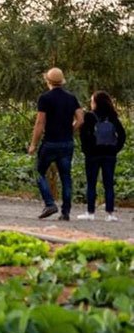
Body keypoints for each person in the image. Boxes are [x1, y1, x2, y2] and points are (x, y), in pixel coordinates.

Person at [28, 67, 83, 220]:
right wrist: (70, 130)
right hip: (67, 143)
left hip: (50, 142)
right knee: (66, 177)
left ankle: (50, 203)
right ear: (62, 81)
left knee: (38, 172)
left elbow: (40, 122)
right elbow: (80, 119)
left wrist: (33, 144)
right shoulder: (71, 98)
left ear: (48, 81)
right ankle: (66, 212)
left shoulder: (45, 98)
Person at [77, 91, 125, 221]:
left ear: (95, 102)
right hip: (109, 155)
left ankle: (90, 212)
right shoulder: (113, 116)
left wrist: (87, 150)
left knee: (91, 183)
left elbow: (83, 134)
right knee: (108, 184)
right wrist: (115, 149)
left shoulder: (89, 116)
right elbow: (122, 135)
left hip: (93, 155)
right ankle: (110, 213)